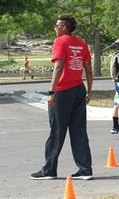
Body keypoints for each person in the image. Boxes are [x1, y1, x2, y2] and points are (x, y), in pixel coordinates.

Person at [31, 14, 93, 180]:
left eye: (57, 25)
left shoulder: (60, 41)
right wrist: (89, 92)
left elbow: (58, 67)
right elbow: (88, 70)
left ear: (64, 27)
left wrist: (51, 92)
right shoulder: (82, 44)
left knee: (57, 131)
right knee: (79, 131)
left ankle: (49, 170)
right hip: (79, 89)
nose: (55, 28)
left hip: (63, 91)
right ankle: (85, 170)